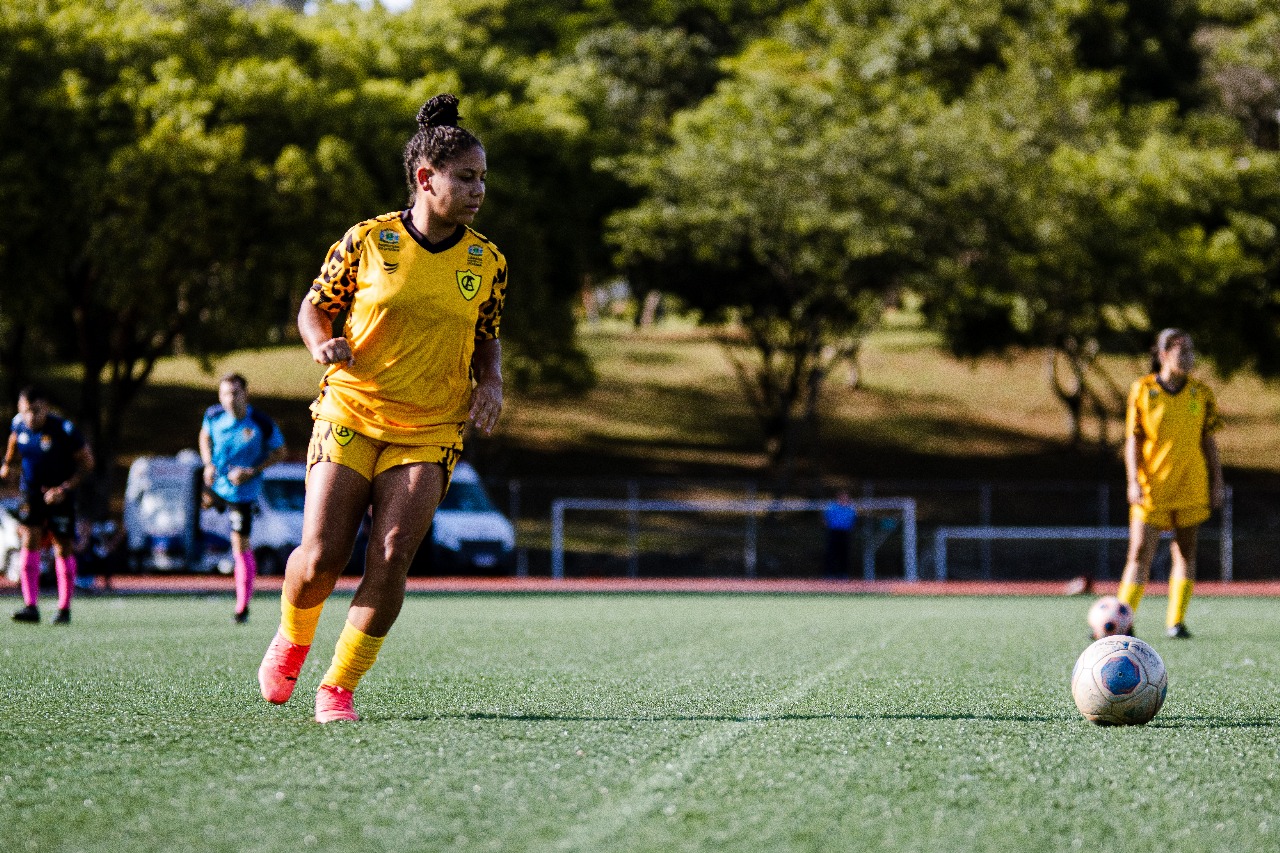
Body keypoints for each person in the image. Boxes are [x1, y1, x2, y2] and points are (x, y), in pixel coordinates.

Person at [257, 93, 506, 723]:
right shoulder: (368, 240)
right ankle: (292, 638)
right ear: (426, 178)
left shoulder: (489, 261)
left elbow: (486, 335)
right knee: (321, 558)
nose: (479, 190)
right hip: (351, 411)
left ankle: (337, 687)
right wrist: (321, 343)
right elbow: (315, 306)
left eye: (482, 178)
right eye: (466, 177)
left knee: (392, 555)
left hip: (431, 427)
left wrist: (492, 383)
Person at [1115, 329, 1225, 639]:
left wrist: (1217, 480)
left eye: (1191, 351)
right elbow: (1133, 440)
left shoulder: (1201, 393)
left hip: (1191, 485)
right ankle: (1121, 621)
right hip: (1153, 486)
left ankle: (1176, 622)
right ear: (1163, 354)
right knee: (1139, 553)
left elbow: (1208, 441)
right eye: (1182, 351)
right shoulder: (1143, 389)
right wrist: (1132, 480)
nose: (1189, 357)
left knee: (1186, 552)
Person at [0, 385, 95, 625]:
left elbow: (87, 463)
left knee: (62, 546)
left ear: (46, 408)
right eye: (26, 411)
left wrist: (64, 489)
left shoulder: (64, 429)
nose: (30, 416)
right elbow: (13, 441)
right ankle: (31, 606)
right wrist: (7, 464)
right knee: (29, 540)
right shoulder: (18, 424)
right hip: (31, 493)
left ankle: (64, 609)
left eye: (36, 410)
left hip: (60, 494)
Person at [199, 373, 287, 624]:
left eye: (235, 393)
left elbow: (280, 452)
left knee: (240, 544)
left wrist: (252, 471)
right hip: (215, 486)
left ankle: (242, 607)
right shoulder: (213, 415)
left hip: (242, 492)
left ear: (245, 394)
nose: (230, 399)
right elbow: (204, 436)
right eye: (225, 394)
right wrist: (208, 463)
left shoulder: (261, 422)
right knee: (194, 521)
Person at [822, 490, 857, 580]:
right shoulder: (832, 506)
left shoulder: (850, 507)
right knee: (832, 553)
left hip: (845, 533)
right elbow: (825, 518)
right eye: (843, 497)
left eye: (846, 497)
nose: (844, 499)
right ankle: (830, 574)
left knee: (844, 553)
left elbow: (853, 519)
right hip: (834, 532)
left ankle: (843, 574)